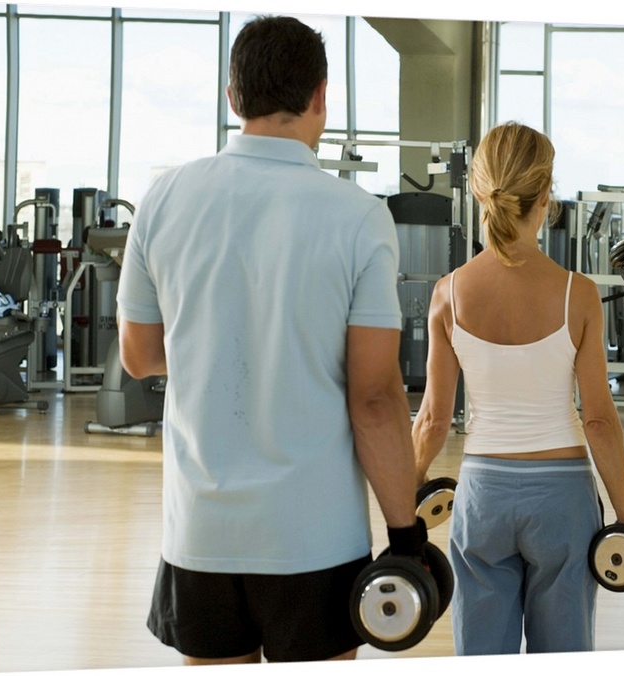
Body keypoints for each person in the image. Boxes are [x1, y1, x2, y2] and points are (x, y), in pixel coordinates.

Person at [116, 15, 423, 665]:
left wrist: (214, 345)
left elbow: (139, 355)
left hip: (200, 532)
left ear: (234, 97)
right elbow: (374, 399)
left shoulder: (163, 198)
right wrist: (405, 531)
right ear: (321, 96)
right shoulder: (357, 215)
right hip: (312, 539)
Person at [412, 121, 624, 654]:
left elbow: (432, 421)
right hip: (562, 501)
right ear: (545, 198)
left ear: (480, 192)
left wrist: (404, 507)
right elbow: (599, 420)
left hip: (482, 498)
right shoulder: (577, 295)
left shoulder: (449, 294)